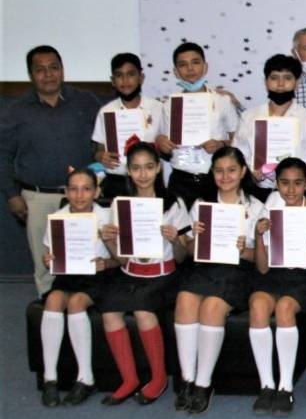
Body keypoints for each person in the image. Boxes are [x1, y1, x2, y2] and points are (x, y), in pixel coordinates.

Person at [1, 45, 101, 296]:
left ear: (62, 69)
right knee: (45, 264)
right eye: (40, 70)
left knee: (86, 259)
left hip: (82, 197)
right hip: (37, 198)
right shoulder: (16, 111)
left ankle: (80, 311)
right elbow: (3, 156)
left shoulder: (86, 102)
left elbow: (102, 143)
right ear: (30, 74)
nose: (48, 75)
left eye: (54, 68)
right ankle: (49, 309)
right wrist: (12, 195)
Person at [98, 142, 191, 406]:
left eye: (149, 167)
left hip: (163, 274)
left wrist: (174, 239)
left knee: (143, 310)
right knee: (109, 312)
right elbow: (121, 258)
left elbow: (182, 257)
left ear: (158, 168)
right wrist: (108, 241)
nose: (143, 174)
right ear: (128, 170)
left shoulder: (173, 203)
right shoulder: (120, 204)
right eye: (136, 168)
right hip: (130, 272)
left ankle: (159, 378)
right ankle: (129, 379)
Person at [174, 147, 265, 415]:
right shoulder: (201, 205)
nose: (225, 177)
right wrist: (195, 238)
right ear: (212, 173)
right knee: (184, 300)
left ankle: (204, 384)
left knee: (211, 307)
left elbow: (260, 260)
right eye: (219, 171)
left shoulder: (256, 207)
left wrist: (244, 249)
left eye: (231, 170)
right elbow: (189, 251)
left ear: (243, 171)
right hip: (205, 267)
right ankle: (187, 379)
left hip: (238, 270)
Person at [248, 157, 306, 416]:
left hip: (304, 277)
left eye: (298, 183)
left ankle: (285, 386)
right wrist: (258, 236)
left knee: (285, 308)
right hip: (273, 274)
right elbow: (262, 268)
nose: (291, 190)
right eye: (284, 183)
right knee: (258, 305)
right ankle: (266, 384)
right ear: (276, 184)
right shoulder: (271, 207)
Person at [38, 167, 115, 407]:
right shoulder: (58, 218)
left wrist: (107, 261)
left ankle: (85, 378)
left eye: (86, 189)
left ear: (96, 192)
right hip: (68, 277)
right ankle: (50, 378)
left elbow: (121, 260)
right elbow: (52, 257)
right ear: (66, 192)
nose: (79, 195)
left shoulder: (108, 217)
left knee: (76, 302)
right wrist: (48, 260)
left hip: (98, 277)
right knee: (53, 300)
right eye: (73, 189)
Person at [155, 42, 240, 208]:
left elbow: (238, 141)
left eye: (195, 62)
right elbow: (165, 148)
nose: (190, 68)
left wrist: (221, 145)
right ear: (176, 72)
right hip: (180, 180)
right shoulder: (170, 104)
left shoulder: (222, 100)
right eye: (183, 65)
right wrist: (162, 144)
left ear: (205, 66)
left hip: (215, 179)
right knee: (179, 224)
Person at [233, 54, 306, 201]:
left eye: (287, 78)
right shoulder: (249, 117)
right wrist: (251, 172)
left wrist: (296, 174)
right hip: (258, 192)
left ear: (297, 83)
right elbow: (239, 155)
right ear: (266, 82)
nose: (280, 84)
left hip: (300, 193)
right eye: (274, 78)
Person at [91, 53, 165, 199]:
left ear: (141, 77)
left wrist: (161, 146)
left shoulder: (158, 108)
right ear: (113, 81)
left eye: (131, 74)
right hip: (116, 182)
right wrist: (101, 156)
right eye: (119, 75)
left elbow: (168, 149)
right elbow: (98, 150)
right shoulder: (106, 112)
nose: (125, 81)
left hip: (150, 182)